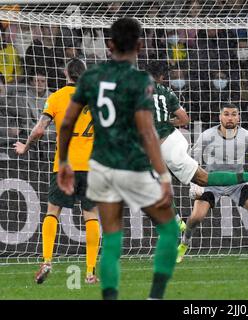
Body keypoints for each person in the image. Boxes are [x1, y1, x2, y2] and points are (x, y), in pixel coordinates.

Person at [56, 17, 177, 300]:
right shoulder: (140, 80)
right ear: (140, 45)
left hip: (100, 167)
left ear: (109, 45)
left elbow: (66, 125)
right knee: (170, 230)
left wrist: (63, 162)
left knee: (111, 239)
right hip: (132, 166)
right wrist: (163, 175)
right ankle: (155, 297)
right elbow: (147, 132)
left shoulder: (90, 77)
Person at [145, 61, 248, 232]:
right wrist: (166, 121)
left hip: (159, 146)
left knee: (168, 182)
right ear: (162, 77)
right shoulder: (166, 91)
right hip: (173, 140)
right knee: (191, 179)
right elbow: (184, 120)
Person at [13, 58, 100, 285]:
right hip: (91, 167)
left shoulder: (56, 97)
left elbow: (40, 129)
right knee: (91, 216)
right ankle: (90, 272)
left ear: (65, 73)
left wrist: (26, 146)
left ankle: (47, 261)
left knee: (53, 212)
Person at [177, 104, 248, 263]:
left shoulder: (246, 136)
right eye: (226, 114)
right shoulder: (207, 135)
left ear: (239, 118)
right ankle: (184, 245)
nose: (230, 118)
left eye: (233, 114)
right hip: (210, 182)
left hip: (237, 183)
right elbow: (192, 160)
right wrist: (194, 184)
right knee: (195, 217)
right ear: (220, 117)